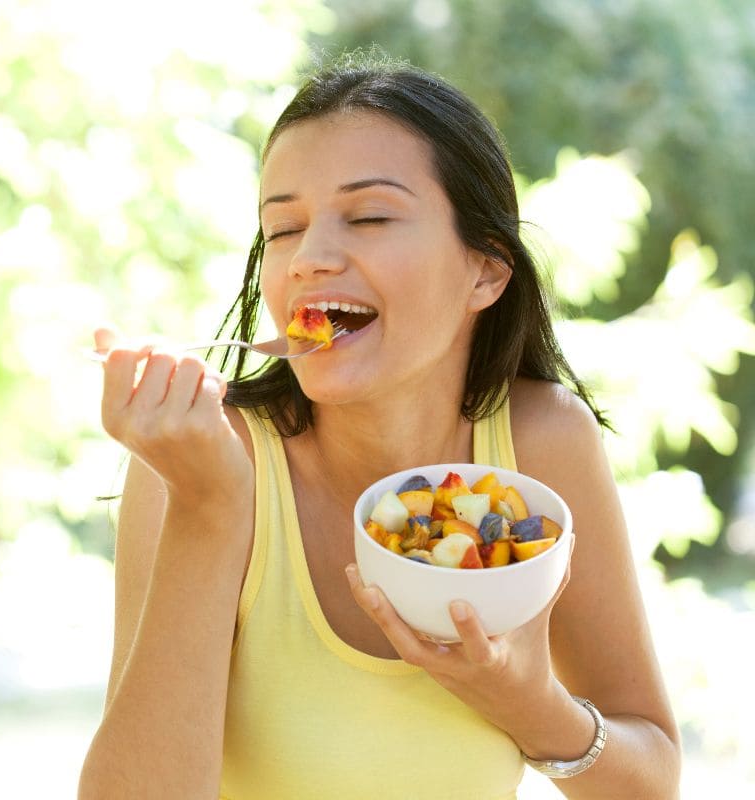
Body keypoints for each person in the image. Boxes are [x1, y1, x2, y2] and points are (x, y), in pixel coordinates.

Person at [78, 52, 680, 799]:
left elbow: (651, 781)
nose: (310, 260)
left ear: (486, 271)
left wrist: (531, 706)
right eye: (284, 229)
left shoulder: (541, 444)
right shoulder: (202, 460)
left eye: (368, 217)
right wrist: (208, 509)